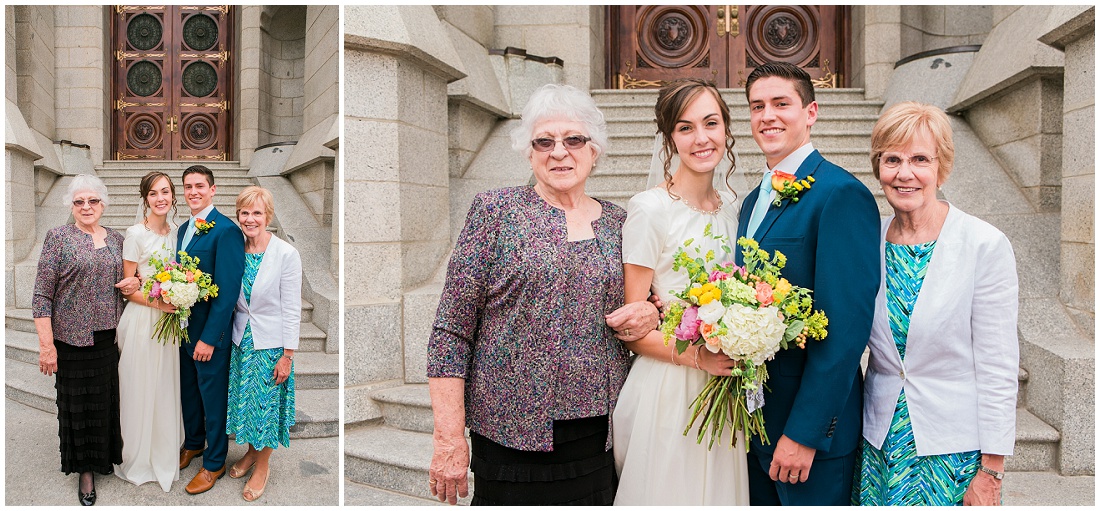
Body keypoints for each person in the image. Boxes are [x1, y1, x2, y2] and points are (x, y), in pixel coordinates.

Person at [425, 84, 658, 506]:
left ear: (594, 150)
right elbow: (450, 332)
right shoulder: (495, 212)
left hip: (598, 435)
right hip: (508, 436)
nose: (559, 152)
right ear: (529, 153)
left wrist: (650, 314)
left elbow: (647, 302)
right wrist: (448, 437)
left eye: (574, 140)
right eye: (544, 142)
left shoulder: (619, 222)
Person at [855, 101, 1018, 506]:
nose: (904, 173)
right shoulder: (866, 240)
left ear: (941, 168)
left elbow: (999, 365)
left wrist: (992, 470)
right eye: (892, 159)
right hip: (879, 445)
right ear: (878, 169)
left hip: (950, 454)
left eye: (919, 159)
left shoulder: (984, 244)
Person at [736, 62, 880, 505]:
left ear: (811, 112)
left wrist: (806, 433)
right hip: (755, 423)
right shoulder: (751, 201)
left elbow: (844, 331)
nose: (768, 116)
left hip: (808, 437)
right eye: (757, 106)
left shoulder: (840, 195)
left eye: (782, 103)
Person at [612, 79, 750, 505]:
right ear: (670, 138)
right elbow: (632, 328)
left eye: (711, 123)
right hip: (670, 388)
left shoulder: (734, 207)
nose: (701, 138)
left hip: (725, 390)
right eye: (685, 128)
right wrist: (700, 357)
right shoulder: (650, 209)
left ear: (727, 129)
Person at [33, 174, 137, 506]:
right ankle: (85, 472)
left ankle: (104, 459)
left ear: (103, 204)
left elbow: (129, 281)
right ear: (71, 206)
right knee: (77, 408)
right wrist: (46, 345)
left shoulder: (118, 239)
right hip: (70, 341)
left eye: (93, 200)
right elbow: (41, 295)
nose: (86, 206)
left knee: (105, 402)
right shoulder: (58, 237)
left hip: (109, 338)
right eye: (79, 201)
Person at [225, 186, 301, 502]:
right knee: (247, 405)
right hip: (240, 341)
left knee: (266, 409)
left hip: (271, 344)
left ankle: (263, 465)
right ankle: (249, 453)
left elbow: (292, 306)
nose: (250, 219)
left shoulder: (286, 253)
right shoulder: (235, 249)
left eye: (257, 213)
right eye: (245, 212)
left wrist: (288, 355)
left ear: (267, 216)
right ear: (238, 216)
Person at [176, 165, 246, 495]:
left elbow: (228, 291)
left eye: (200, 186)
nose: (194, 192)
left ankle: (215, 461)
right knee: (189, 392)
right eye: (188, 186)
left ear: (213, 190)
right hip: (183, 330)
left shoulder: (226, 231)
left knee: (212, 398)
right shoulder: (182, 230)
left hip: (208, 336)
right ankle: (193, 443)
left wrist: (210, 338)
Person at [114, 171, 185, 492]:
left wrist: (182, 294)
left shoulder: (177, 234)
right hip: (143, 320)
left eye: (166, 192)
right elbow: (128, 289)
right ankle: (138, 456)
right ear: (145, 199)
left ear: (173, 197)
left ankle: (164, 452)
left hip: (169, 325)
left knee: (163, 386)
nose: (161, 198)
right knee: (139, 386)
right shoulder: (134, 234)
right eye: (154, 193)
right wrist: (163, 305)